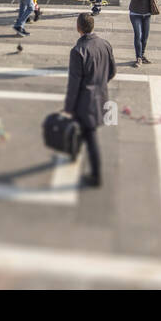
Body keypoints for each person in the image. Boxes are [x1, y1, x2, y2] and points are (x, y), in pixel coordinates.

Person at [61, 12, 117, 189]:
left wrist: (68, 107)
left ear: (78, 28)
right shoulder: (105, 44)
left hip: (84, 101)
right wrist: (100, 83)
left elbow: (74, 82)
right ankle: (74, 152)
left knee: (90, 136)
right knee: (83, 131)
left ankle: (96, 175)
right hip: (100, 95)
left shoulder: (78, 51)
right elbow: (112, 71)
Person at [128, 0, 159, 68]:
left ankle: (142, 54)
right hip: (135, 13)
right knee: (138, 35)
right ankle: (138, 58)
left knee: (145, 37)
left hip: (147, 13)